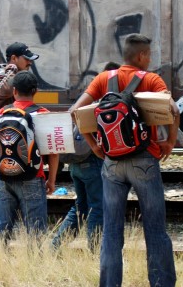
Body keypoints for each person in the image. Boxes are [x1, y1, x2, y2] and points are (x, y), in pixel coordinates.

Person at [70, 34, 179, 287]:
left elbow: (76, 112)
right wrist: (170, 142)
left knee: (111, 232)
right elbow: (173, 109)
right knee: (155, 230)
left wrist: (95, 145)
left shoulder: (103, 79)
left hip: (111, 163)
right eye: (149, 55)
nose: (150, 59)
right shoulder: (151, 79)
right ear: (141, 56)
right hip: (144, 159)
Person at [51, 62, 120, 251]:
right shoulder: (108, 103)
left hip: (76, 164)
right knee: (98, 206)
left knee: (81, 207)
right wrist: (94, 146)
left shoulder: (90, 98)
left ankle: (56, 247)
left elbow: (72, 113)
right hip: (92, 162)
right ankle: (96, 251)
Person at [0, 71, 59, 238]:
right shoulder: (42, 114)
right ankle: (33, 263)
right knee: (35, 233)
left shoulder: (2, 113)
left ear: (14, 91)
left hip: (3, 178)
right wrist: (51, 180)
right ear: (35, 92)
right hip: (32, 177)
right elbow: (53, 153)